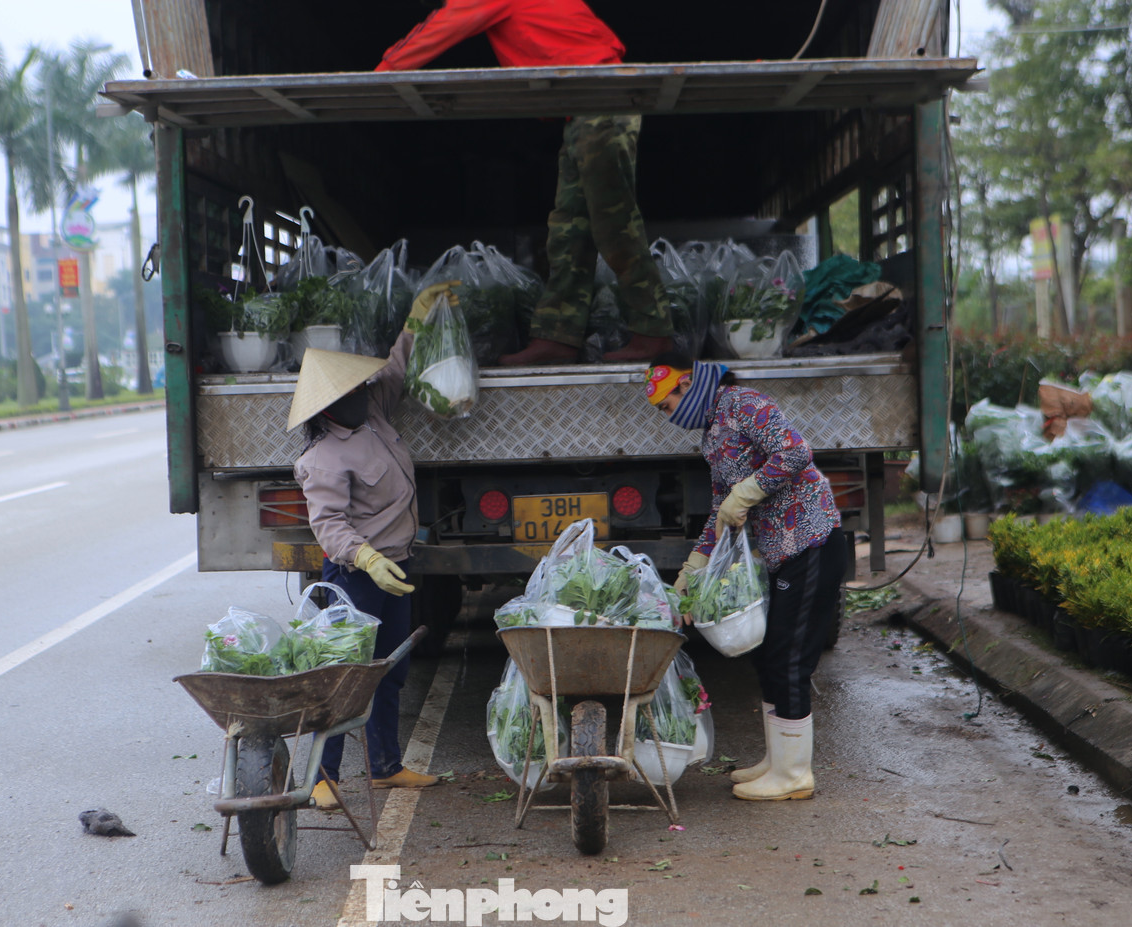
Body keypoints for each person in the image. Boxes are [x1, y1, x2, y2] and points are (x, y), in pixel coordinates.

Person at [375, 0, 673, 365]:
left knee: (615, 226)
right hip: (586, 106)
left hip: (603, 97)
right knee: (569, 232)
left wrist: (380, 75)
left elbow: (444, 25)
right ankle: (558, 338)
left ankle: (654, 332)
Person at [288, 283, 458, 810]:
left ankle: (385, 767)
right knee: (345, 677)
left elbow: (395, 368)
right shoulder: (323, 457)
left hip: (397, 569)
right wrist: (365, 557)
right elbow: (329, 523)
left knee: (389, 669)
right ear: (331, 406)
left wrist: (417, 321)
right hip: (357, 577)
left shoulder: (374, 412)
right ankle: (322, 775)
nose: (365, 392)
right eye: (354, 392)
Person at [648, 353, 846, 801]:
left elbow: (795, 451)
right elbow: (721, 510)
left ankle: (795, 774)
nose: (668, 415)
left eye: (667, 403)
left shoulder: (742, 404)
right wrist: (691, 570)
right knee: (769, 656)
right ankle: (778, 760)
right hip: (782, 556)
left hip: (810, 542)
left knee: (788, 659)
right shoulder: (711, 435)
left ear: (687, 387)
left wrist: (750, 489)